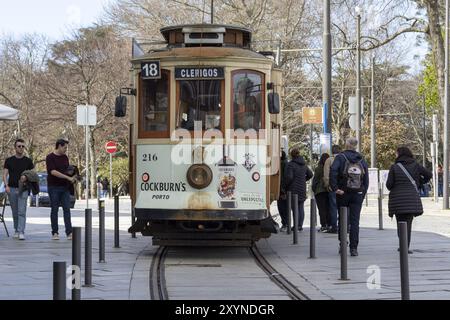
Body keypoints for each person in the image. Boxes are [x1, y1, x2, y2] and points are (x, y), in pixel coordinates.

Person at [386, 146, 432, 254]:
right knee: (408, 223)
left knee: (400, 223)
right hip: (411, 199)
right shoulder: (416, 165)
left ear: (399, 154)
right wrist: (419, 182)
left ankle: (402, 245)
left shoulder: (394, 167)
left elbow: (389, 185)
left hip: (398, 200)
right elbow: (429, 174)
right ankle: (405, 247)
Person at [330, 138, 369, 257]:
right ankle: (354, 248)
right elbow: (366, 178)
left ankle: (342, 244)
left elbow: (333, 172)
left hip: (343, 193)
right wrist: (362, 192)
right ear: (356, 146)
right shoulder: (361, 159)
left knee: (342, 219)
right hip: (357, 193)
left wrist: (335, 188)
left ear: (346, 145)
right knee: (355, 221)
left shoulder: (340, 157)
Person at [2, 139, 34, 240]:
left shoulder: (28, 161)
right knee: (15, 211)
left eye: (22, 146)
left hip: (23, 188)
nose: (21, 148)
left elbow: (33, 173)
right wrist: (6, 186)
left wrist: (27, 177)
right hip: (11, 188)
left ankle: (21, 231)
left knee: (22, 211)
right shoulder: (9, 160)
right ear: (15, 148)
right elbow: (5, 174)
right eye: (19, 146)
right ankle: (16, 229)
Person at [46, 139, 76, 240]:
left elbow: (67, 170)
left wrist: (73, 174)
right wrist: (67, 177)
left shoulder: (65, 157)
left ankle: (69, 232)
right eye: (64, 147)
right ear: (59, 146)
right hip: (53, 187)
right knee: (54, 209)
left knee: (67, 209)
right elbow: (53, 172)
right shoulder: (50, 157)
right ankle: (55, 232)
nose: (66, 150)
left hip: (65, 187)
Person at [285, 147, 313, 231]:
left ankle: (296, 225)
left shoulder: (291, 164)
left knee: (295, 208)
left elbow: (289, 177)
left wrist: (284, 186)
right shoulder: (304, 164)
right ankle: (300, 225)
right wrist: (304, 180)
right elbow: (310, 174)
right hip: (302, 188)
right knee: (301, 207)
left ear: (291, 155)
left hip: (293, 189)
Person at [323, 145, 341, 233]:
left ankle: (334, 226)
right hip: (342, 187)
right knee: (343, 207)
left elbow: (326, 175)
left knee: (333, 207)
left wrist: (327, 185)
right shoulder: (343, 159)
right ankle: (344, 226)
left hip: (333, 187)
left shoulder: (329, 160)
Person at [312, 153, 330, 232]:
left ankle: (323, 225)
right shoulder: (330, 167)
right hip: (328, 190)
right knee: (328, 208)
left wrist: (314, 189)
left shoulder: (318, 168)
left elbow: (315, 180)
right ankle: (329, 224)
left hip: (319, 191)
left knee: (321, 209)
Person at [277, 151, 289, 232]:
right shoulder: (286, 163)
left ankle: (285, 224)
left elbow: (283, 178)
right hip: (285, 189)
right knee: (285, 207)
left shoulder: (282, 164)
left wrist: (282, 190)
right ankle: (286, 223)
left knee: (282, 207)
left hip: (282, 189)